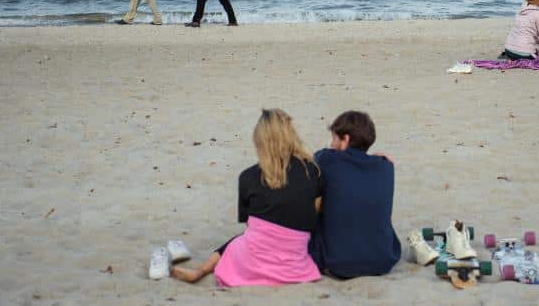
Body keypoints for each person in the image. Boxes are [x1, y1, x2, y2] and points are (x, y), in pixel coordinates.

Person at [170, 109, 323, 286]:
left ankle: (201, 271)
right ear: (291, 136)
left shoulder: (248, 177)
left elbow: (249, 222)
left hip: (252, 259)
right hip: (294, 262)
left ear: (259, 141)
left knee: (240, 239)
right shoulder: (312, 170)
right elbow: (316, 208)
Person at [308, 111, 401, 279]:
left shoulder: (327, 160)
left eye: (335, 138)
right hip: (383, 260)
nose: (332, 143)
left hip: (338, 262)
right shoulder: (386, 167)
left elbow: (316, 157)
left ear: (346, 140)